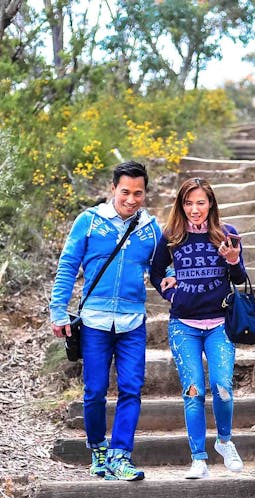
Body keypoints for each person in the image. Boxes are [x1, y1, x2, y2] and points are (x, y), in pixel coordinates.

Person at [49, 160, 164, 481]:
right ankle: (99, 452)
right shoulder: (89, 221)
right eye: (125, 191)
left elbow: (160, 272)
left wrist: (173, 283)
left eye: (138, 193)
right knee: (95, 390)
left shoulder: (151, 230)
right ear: (113, 189)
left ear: (145, 193)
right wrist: (58, 311)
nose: (131, 199)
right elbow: (68, 265)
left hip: (132, 323)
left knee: (131, 389)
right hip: (95, 322)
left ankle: (121, 456)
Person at [150, 177, 246, 479]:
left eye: (200, 203)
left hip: (219, 324)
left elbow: (239, 277)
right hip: (184, 326)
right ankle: (198, 459)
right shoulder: (171, 237)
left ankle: (224, 442)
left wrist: (232, 259)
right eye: (188, 203)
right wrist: (170, 291)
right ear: (181, 205)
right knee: (192, 392)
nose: (194, 209)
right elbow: (155, 274)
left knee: (223, 387)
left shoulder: (226, 234)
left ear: (211, 204)